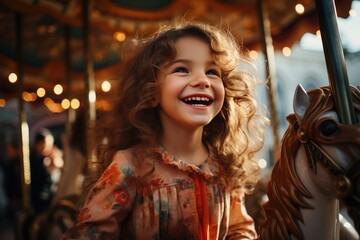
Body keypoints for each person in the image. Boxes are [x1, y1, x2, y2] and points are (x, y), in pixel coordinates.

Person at [62, 20, 268, 239]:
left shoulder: (223, 165)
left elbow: (239, 228)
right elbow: (90, 233)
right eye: (181, 69)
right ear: (151, 92)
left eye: (212, 71)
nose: (202, 81)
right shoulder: (132, 165)